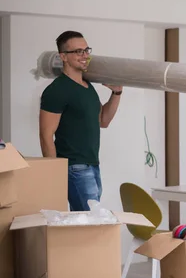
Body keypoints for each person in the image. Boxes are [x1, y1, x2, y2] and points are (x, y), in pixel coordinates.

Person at [39, 30, 123, 211]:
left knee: (88, 220)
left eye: (86, 50)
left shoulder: (87, 87)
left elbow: (104, 121)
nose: (85, 56)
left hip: (92, 164)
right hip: (74, 167)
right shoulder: (57, 90)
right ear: (63, 57)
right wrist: (54, 174)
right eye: (78, 51)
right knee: (89, 220)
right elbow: (46, 135)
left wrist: (116, 93)